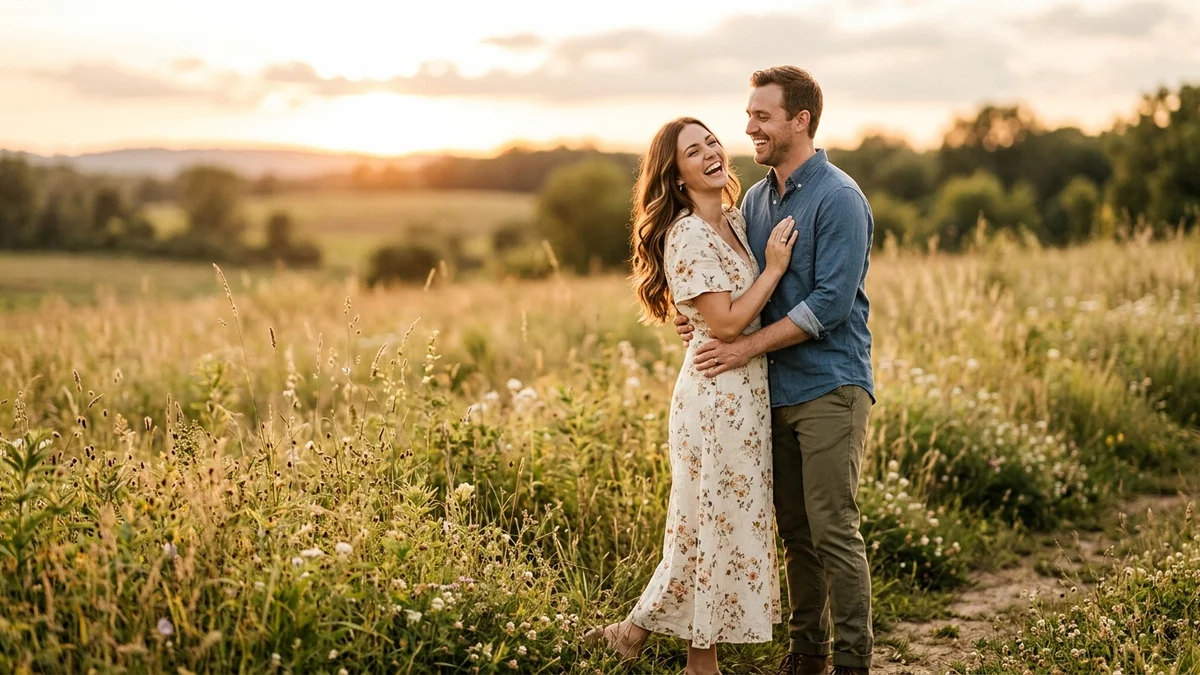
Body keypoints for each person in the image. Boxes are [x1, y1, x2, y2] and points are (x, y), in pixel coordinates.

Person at [674, 66, 876, 675]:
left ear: (800, 121)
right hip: (772, 393)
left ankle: (853, 663)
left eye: (762, 116)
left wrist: (742, 348)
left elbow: (831, 304)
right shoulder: (755, 201)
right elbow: (724, 282)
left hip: (830, 385)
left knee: (833, 528)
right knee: (796, 533)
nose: (748, 127)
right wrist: (699, 325)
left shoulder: (839, 197)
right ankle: (807, 655)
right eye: (750, 114)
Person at [584, 116, 797, 675]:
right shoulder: (686, 233)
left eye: (711, 142)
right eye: (692, 151)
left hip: (743, 395)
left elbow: (716, 311)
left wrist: (698, 316)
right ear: (676, 175)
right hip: (713, 400)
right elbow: (726, 324)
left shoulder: (734, 219)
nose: (709, 153)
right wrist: (773, 270)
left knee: (717, 523)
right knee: (708, 523)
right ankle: (701, 666)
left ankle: (631, 633)